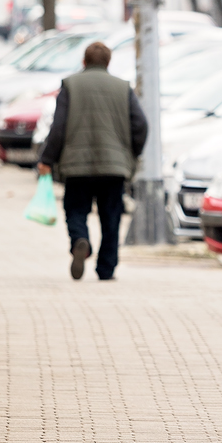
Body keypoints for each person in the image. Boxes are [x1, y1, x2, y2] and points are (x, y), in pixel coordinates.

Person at [37, 41, 148, 281]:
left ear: (84, 62)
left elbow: (58, 127)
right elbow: (140, 125)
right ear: (108, 63)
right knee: (111, 217)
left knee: (76, 210)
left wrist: (47, 159)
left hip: (77, 166)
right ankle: (106, 270)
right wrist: (131, 155)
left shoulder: (70, 85)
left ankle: (81, 242)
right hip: (114, 166)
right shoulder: (123, 87)